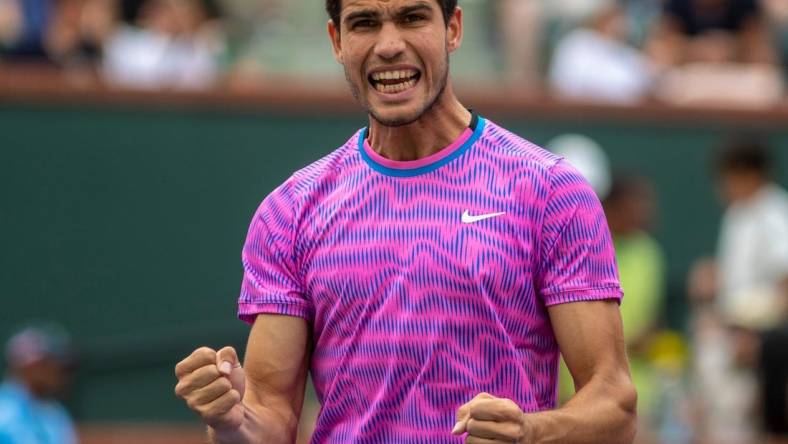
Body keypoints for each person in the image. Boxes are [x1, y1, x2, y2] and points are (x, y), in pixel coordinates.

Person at [174, 1, 637, 443]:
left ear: (453, 28)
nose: (389, 44)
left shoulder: (550, 191)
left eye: (412, 17)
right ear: (337, 41)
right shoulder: (291, 211)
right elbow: (269, 419)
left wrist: (531, 432)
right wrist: (231, 419)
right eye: (364, 23)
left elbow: (614, 406)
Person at [688, 141, 788, 443]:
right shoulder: (737, 214)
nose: (723, 187)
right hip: (730, 331)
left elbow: (784, 283)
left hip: (759, 337)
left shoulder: (775, 213)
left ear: (751, 174)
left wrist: (758, 336)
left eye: (729, 177)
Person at [0, 324, 78, 444]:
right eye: (50, 364)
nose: (59, 372)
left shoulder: (55, 413)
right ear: (29, 366)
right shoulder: (4, 410)